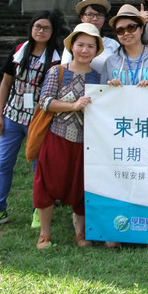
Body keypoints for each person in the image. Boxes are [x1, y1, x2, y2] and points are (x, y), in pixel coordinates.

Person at [0, 11, 61, 229]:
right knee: (4, 163)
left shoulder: (56, 58)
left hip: (38, 120)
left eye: (46, 28)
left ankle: (39, 211)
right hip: (12, 116)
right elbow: (6, 84)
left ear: (53, 32)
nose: (41, 31)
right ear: (31, 28)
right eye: (37, 26)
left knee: (38, 167)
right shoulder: (19, 51)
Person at [33, 23, 103, 250]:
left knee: (81, 185)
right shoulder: (58, 71)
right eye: (80, 45)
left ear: (96, 50)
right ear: (72, 46)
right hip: (57, 136)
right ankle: (44, 234)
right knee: (48, 183)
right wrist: (72, 106)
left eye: (90, 46)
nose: (85, 50)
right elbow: (45, 102)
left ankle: (80, 232)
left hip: (86, 142)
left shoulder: (97, 77)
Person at [102, 4, 148, 86]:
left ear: (142, 28)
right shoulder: (110, 62)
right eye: (120, 30)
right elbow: (103, 91)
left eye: (131, 27)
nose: (126, 33)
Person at [60, 0, 119, 72]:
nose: (95, 18)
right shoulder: (73, 42)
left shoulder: (113, 44)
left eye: (99, 14)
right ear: (82, 17)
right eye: (90, 14)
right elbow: (65, 70)